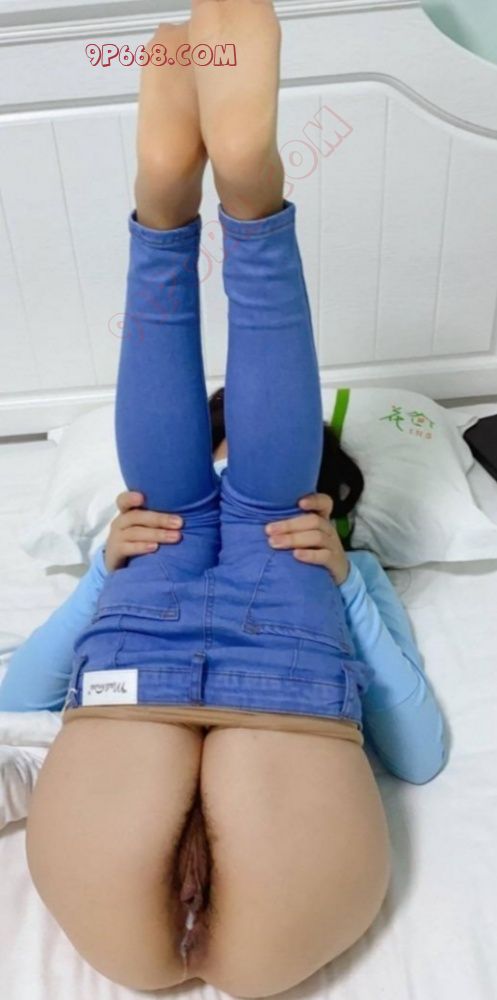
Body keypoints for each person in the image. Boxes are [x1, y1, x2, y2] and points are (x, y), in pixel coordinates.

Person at [16, 5, 447, 996]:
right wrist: (103, 569)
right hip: (262, 660)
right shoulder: (182, 534)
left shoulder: (338, 559)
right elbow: (416, 756)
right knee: (216, 505)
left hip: (173, 639)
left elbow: (15, 695)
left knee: (247, 506)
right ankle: (240, 199)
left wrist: (342, 578)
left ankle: (175, 212)